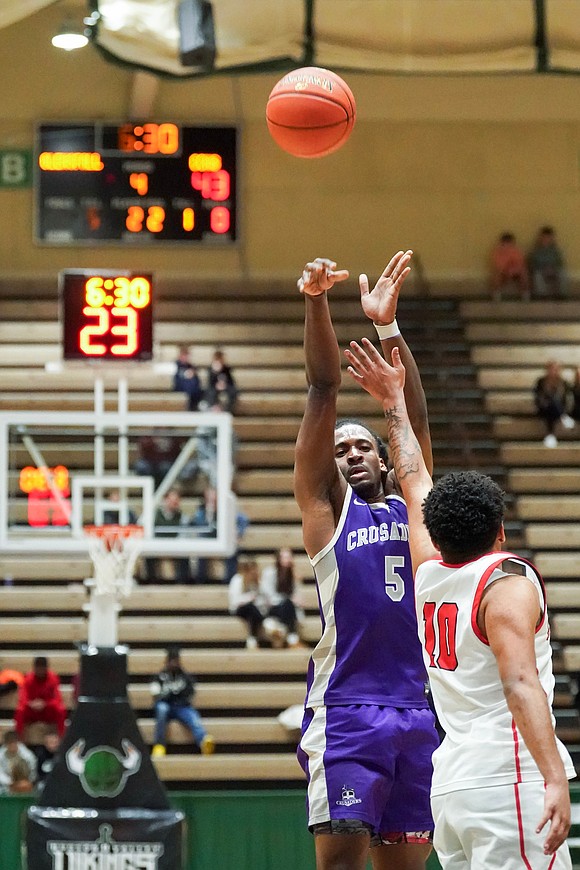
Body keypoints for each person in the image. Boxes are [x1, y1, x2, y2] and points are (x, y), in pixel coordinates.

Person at [344, 336, 575, 868]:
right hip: (507, 778)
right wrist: (555, 774)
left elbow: (411, 474)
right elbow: (519, 683)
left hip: (451, 787)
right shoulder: (507, 582)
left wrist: (392, 401)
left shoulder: (428, 574)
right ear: (500, 529)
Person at [293, 253, 439, 870]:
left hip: (422, 710)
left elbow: (415, 421)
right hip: (350, 710)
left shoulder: (418, 504)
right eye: (341, 448)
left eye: (363, 446)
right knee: (342, 865)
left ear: (384, 459)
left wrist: (387, 329)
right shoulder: (329, 511)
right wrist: (317, 301)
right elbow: (324, 388)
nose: (350, 454)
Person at [150, 648, 214, 757]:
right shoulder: (160, 677)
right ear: (166, 661)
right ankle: (159, 745)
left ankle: (203, 741)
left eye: (176, 660)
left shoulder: (185, 677)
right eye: (171, 661)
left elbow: (191, 692)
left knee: (193, 716)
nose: (174, 663)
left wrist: (183, 699)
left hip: (181, 707)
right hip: (166, 705)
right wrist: (164, 696)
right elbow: (154, 692)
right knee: (161, 709)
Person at [191, 485, 249, 583]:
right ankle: (200, 582)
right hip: (208, 542)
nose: (212, 500)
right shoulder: (201, 513)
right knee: (200, 552)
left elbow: (243, 519)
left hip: (224, 542)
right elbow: (198, 527)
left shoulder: (227, 510)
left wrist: (239, 533)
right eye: (209, 498)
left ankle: (229, 582)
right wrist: (209, 514)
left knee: (232, 551)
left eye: (214, 497)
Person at [144, 488, 191, 583]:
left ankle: (182, 583)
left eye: (176, 501)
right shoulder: (154, 515)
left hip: (174, 546)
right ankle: (152, 582)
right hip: (157, 545)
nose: (174, 503)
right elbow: (149, 534)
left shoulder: (183, 517)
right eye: (171, 500)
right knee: (148, 554)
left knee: (184, 555)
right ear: (166, 500)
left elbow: (183, 536)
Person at [14, 656, 67, 740]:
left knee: (60, 709)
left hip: (47, 711)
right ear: (34, 668)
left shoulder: (53, 678)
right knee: (20, 710)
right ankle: (18, 739)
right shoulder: (28, 679)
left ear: (46, 668)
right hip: (32, 711)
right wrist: (31, 704)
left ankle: (62, 737)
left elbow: (57, 700)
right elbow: (23, 699)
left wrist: (45, 704)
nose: (40, 671)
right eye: (38, 668)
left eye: (42, 668)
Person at [260, 547, 304, 648]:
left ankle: (283, 632)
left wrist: (296, 600)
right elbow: (267, 595)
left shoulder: (292, 575)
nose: (287, 559)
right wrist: (286, 599)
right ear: (278, 559)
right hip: (271, 607)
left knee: (288, 605)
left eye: (289, 557)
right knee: (287, 603)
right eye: (285, 557)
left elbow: (297, 595)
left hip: (288, 608)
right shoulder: (269, 573)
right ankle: (291, 637)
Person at [228, 557, 270, 649]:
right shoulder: (237, 580)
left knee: (253, 612)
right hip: (239, 608)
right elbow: (234, 601)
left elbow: (265, 600)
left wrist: (261, 585)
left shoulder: (257, 582)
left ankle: (252, 640)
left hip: (254, 610)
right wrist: (248, 598)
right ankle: (257, 633)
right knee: (251, 608)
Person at [533, 360, 575, 448]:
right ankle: (563, 417)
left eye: (556, 369)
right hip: (544, 408)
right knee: (551, 404)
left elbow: (567, 399)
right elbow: (538, 398)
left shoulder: (563, 383)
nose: (553, 371)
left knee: (554, 404)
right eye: (551, 369)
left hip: (557, 410)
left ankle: (550, 435)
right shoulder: (541, 381)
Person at [529, 226, 567, 299]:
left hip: (554, 270)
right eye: (544, 237)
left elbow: (560, 263)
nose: (546, 240)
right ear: (540, 238)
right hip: (540, 270)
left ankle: (563, 296)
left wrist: (553, 269)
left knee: (563, 274)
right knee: (537, 276)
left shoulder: (556, 251)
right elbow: (532, 264)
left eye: (548, 237)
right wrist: (543, 269)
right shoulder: (535, 251)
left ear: (552, 238)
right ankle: (542, 296)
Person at [490, 232, 530, 301]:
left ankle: (525, 293)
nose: (507, 246)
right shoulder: (497, 253)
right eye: (505, 243)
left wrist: (514, 270)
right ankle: (496, 293)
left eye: (509, 243)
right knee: (497, 273)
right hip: (504, 273)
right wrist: (507, 270)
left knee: (524, 272)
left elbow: (521, 264)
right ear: (502, 243)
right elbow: (499, 267)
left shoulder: (517, 251)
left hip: (515, 272)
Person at [0, 730, 37, 795]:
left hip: (25, 782)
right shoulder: (1, 755)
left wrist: (25, 782)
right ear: (6, 744)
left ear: (17, 743)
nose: (12, 746)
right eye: (9, 744)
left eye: (14, 743)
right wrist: (10, 782)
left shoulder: (28, 756)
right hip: (7, 784)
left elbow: (33, 772)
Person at [173, 345, 205, 411]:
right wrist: (186, 375)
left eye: (187, 356)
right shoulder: (175, 365)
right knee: (188, 384)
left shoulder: (191, 367)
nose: (186, 358)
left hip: (193, 391)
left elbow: (198, 381)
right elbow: (176, 379)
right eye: (184, 356)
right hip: (180, 388)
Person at [206, 349, 238, 413]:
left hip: (225, 388)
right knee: (211, 392)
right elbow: (209, 384)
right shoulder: (210, 370)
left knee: (234, 391)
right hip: (214, 389)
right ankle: (214, 407)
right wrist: (215, 373)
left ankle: (227, 410)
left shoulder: (227, 369)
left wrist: (225, 385)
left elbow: (232, 383)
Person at [34, 725, 61, 789]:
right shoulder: (40, 755)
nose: (53, 745)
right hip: (44, 782)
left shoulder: (63, 754)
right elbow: (37, 772)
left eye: (55, 742)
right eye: (50, 742)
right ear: (45, 743)